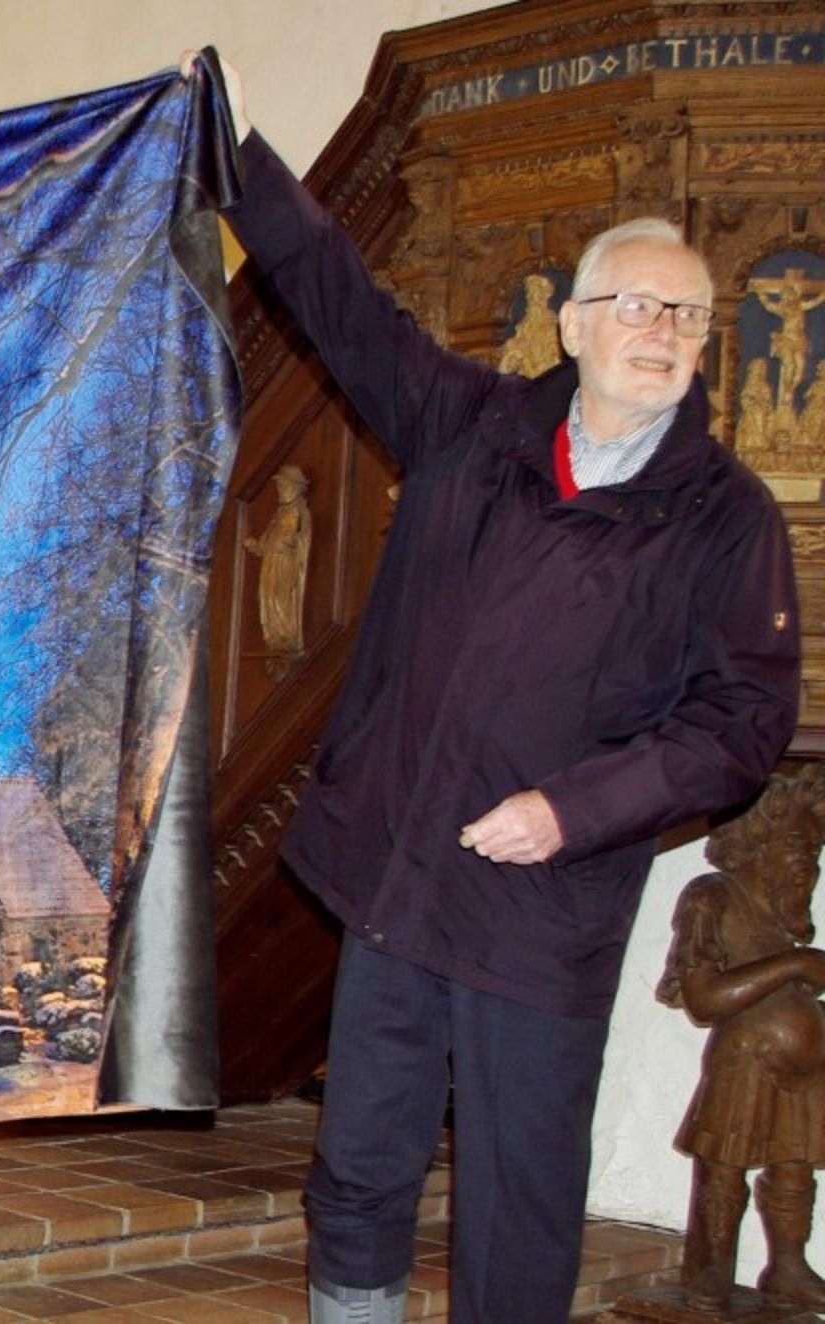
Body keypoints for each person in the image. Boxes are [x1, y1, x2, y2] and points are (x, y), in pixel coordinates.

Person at [187, 52, 801, 1324]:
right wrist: (235, 158)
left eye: (689, 317)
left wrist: (575, 808)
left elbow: (743, 723)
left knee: (519, 1194)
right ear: (574, 324)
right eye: (639, 306)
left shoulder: (728, 518)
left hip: (542, 909)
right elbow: (339, 297)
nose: (665, 334)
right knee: (360, 1166)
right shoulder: (470, 423)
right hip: (402, 872)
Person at [657, 763, 825, 1313]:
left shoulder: (782, 916)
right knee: (724, 1170)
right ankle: (711, 1271)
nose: (808, 864)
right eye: (798, 847)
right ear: (754, 844)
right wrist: (794, 964)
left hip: (802, 1071)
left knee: (795, 1169)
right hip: (744, 1063)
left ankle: (788, 1266)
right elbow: (706, 999)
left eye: (814, 851)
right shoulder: (713, 897)